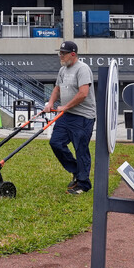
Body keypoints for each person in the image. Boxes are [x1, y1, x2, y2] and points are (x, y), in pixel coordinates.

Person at [43, 40, 96, 195]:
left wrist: (65, 106)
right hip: (66, 116)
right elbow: (57, 89)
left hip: (83, 116)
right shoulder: (63, 70)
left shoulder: (82, 69)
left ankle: (83, 184)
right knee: (56, 142)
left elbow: (83, 93)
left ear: (73, 54)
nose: (61, 56)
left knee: (81, 149)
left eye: (63, 53)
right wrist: (50, 103)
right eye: (60, 53)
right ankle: (76, 171)